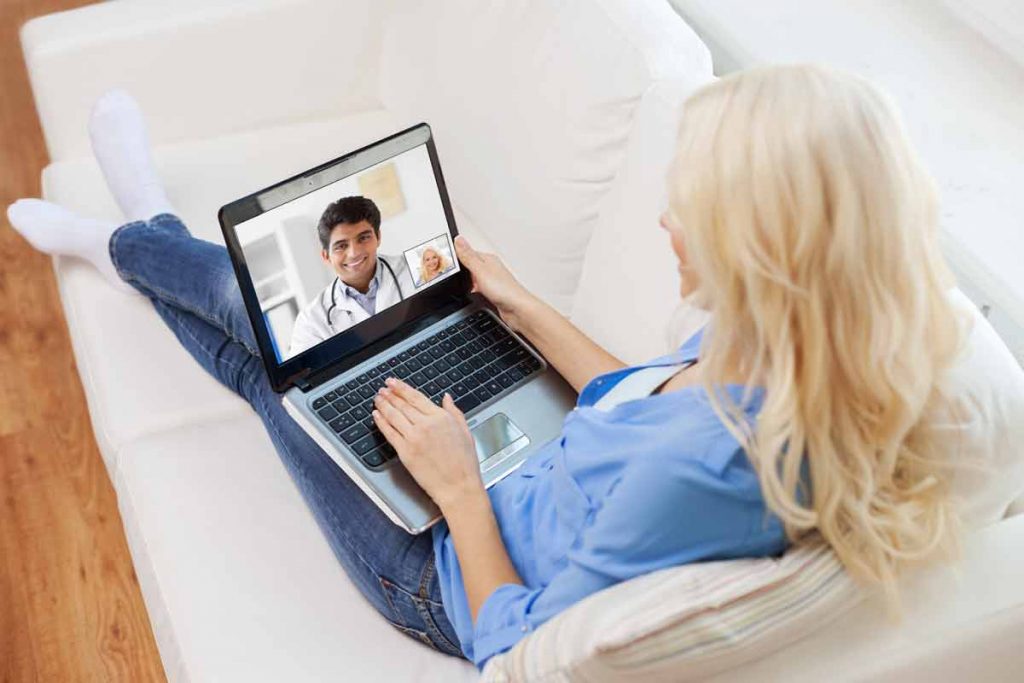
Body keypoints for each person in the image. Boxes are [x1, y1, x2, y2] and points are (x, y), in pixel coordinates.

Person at [6, 65, 981, 671]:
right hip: (518, 469)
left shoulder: (705, 474)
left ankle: (125, 234)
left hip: (440, 564)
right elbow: (636, 403)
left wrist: (458, 484)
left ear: (762, 245)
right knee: (291, 348)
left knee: (278, 370)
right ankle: (143, 232)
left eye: (690, 208)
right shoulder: (793, 355)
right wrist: (516, 300)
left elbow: (513, 640)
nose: (665, 221)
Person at [288, 196, 415, 358]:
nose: (354, 253)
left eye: (363, 238)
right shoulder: (311, 320)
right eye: (341, 246)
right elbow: (308, 377)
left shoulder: (420, 266)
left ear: (378, 237)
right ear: (326, 256)